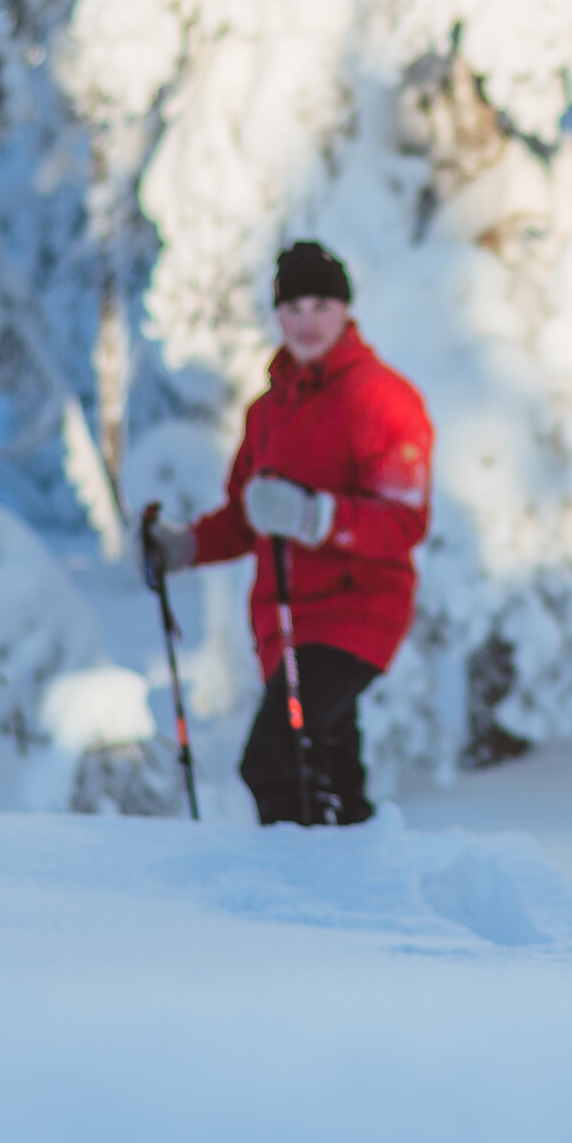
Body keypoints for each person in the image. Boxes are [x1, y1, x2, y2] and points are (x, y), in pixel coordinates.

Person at [163, 240, 434, 826]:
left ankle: (298, 895)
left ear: (345, 311)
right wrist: (181, 547)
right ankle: (356, 884)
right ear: (276, 315)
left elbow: (403, 519)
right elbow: (244, 517)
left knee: (274, 762)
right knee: (327, 772)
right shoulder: (267, 412)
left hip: (355, 614)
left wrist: (317, 517)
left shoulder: (382, 399)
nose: (306, 323)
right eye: (293, 308)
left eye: (320, 306)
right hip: (286, 622)